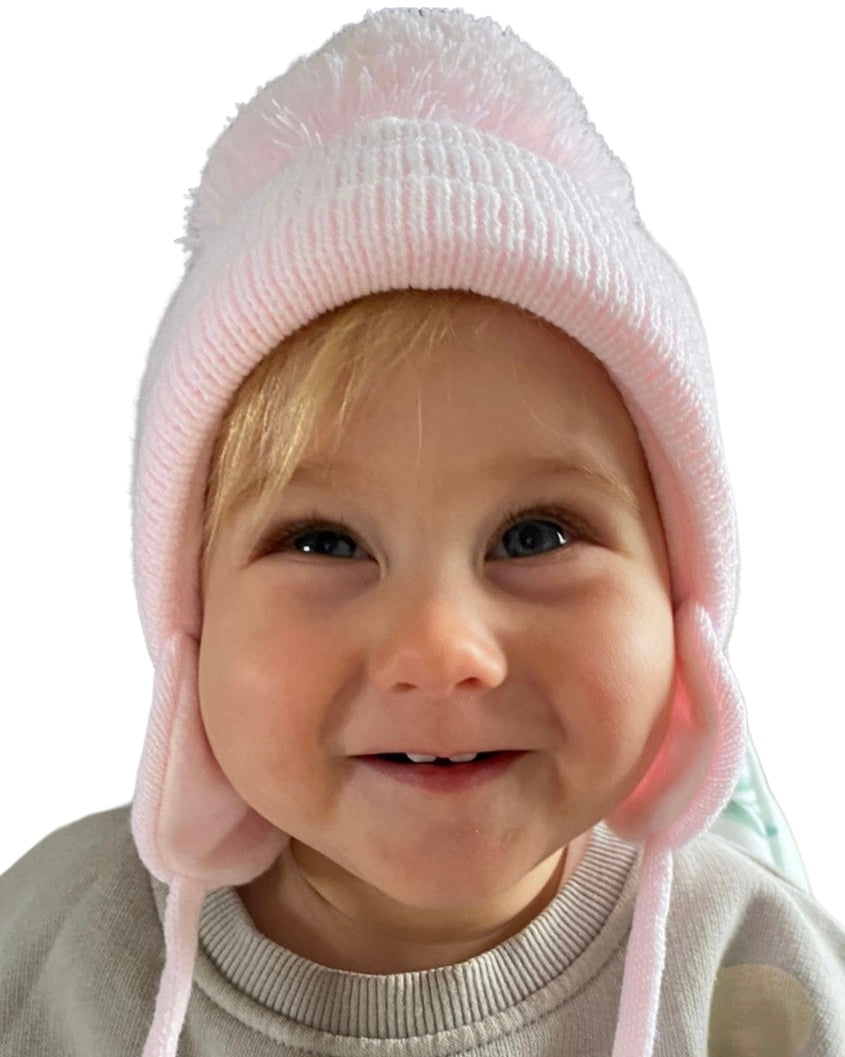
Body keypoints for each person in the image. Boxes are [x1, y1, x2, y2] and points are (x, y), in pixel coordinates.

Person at [1, 8, 843, 1057]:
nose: (440, 648)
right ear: (190, 621)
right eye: (323, 541)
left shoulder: (761, 980)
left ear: (679, 607)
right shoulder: (48, 954)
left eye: (535, 535)